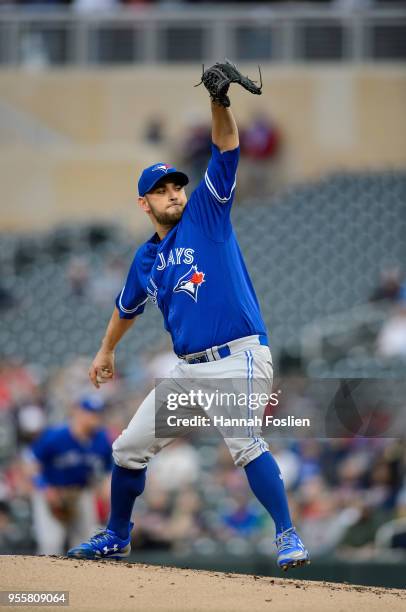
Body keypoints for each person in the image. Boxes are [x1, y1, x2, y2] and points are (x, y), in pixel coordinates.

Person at [68, 62, 310, 571]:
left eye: (177, 185)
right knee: (127, 449)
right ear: (145, 203)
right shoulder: (144, 259)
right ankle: (117, 535)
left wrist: (219, 103)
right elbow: (124, 308)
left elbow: (226, 149)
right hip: (188, 371)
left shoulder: (205, 213)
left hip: (237, 357)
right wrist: (107, 349)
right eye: (162, 189)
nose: (174, 192)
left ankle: (287, 534)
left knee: (245, 442)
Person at [27, 395, 112, 555]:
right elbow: (31, 464)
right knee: (50, 543)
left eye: (98, 414)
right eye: (90, 413)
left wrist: (107, 483)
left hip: (80, 493)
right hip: (51, 493)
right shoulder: (56, 436)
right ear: (78, 412)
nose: (95, 418)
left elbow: (110, 466)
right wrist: (44, 487)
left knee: (86, 543)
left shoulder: (101, 439)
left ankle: (80, 580)